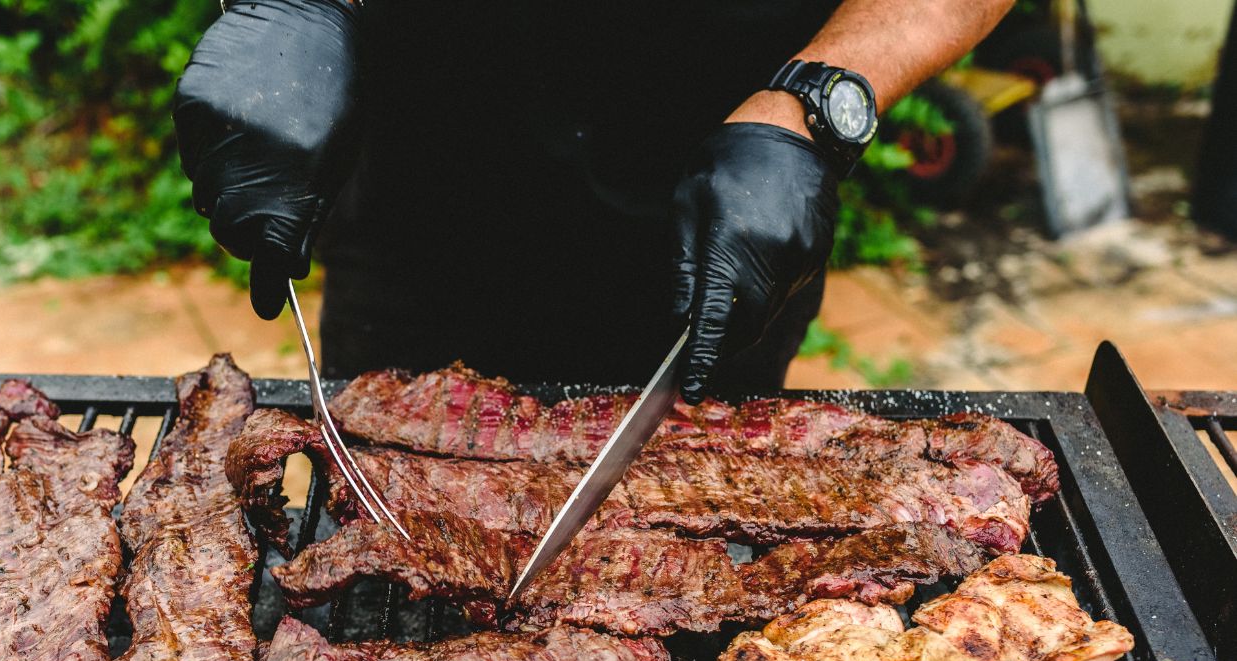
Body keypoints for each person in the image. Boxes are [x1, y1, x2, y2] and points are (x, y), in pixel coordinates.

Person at [174, 0, 1012, 399]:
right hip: (431, 179)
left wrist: (817, 103)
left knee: (702, 478)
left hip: (729, 185)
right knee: (393, 462)